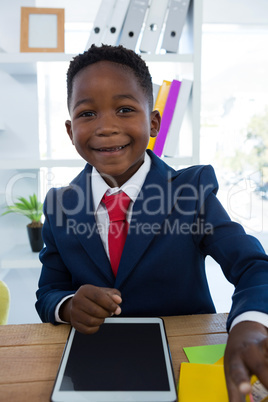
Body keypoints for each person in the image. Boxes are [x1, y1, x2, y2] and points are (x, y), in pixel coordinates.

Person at [36, 44, 268, 401]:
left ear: (154, 122)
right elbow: (48, 290)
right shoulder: (59, 204)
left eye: (125, 109)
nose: (107, 127)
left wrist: (251, 323)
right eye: (87, 114)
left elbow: (253, 265)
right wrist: (68, 305)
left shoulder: (191, 191)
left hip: (183, 355)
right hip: (94, 362)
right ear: (70, 131)